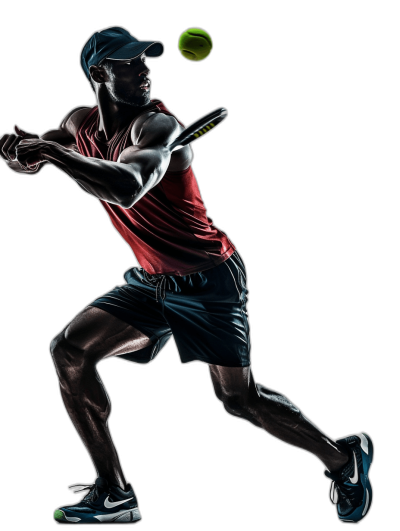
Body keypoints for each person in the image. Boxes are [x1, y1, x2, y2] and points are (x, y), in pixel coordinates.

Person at [0, 26, 374, 526]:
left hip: (208, 280)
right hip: (152, 281)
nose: (143, 69)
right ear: (98, 73)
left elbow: (128, 187)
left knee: (238, 400)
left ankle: (344, 459)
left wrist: (52, 156)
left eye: (145, 60)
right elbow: (50, 144)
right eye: (128, 63)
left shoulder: (156, 128)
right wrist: (26, 153)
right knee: (69, 352)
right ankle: (115, 493)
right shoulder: (80, 122)